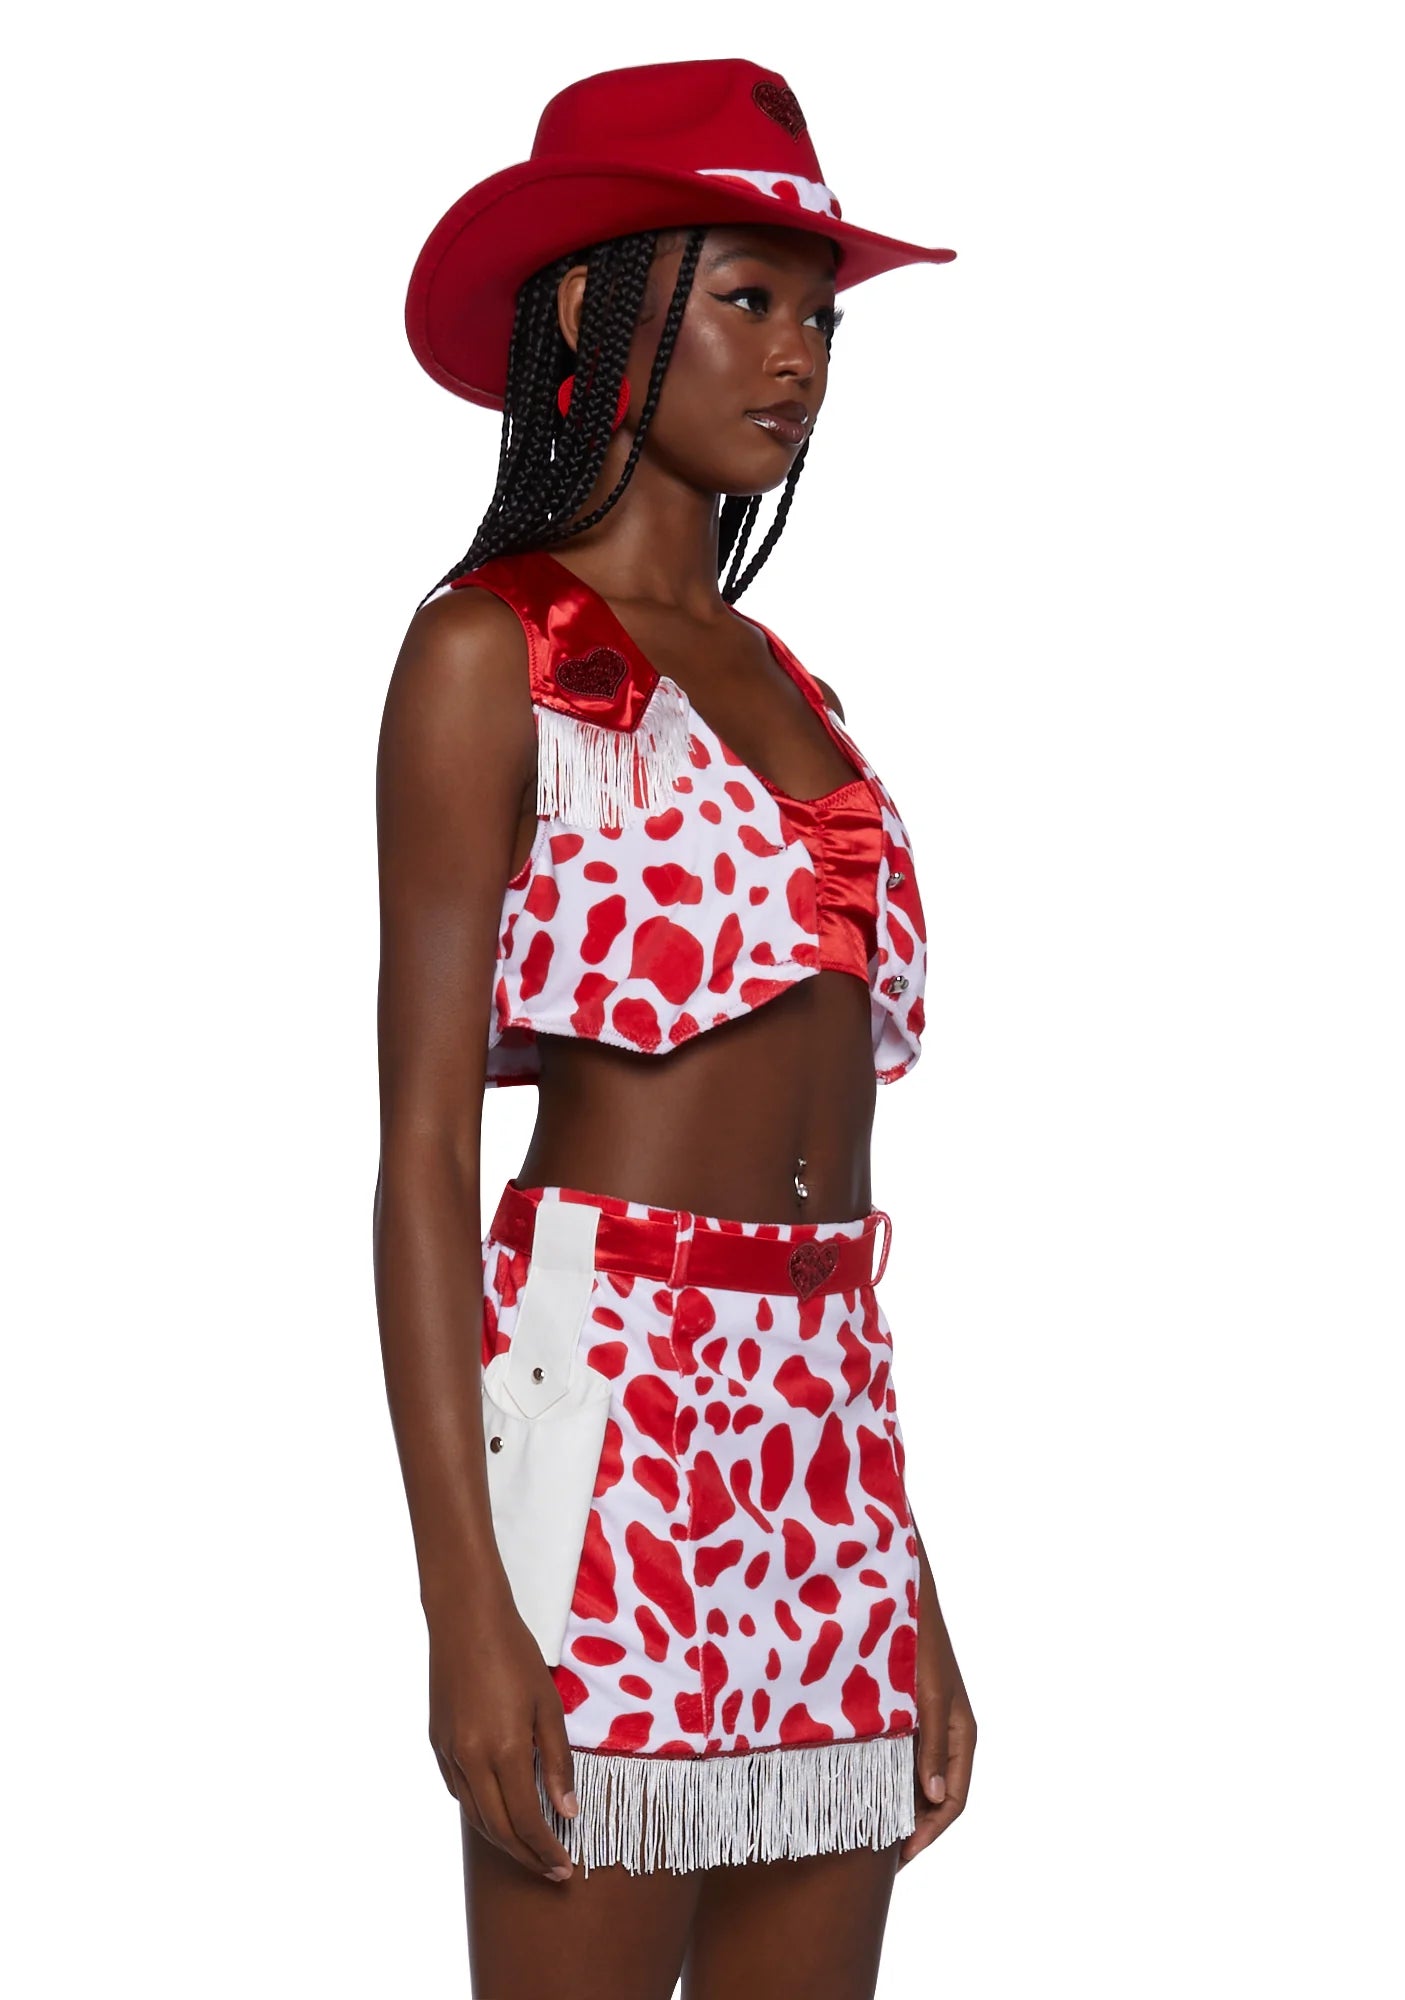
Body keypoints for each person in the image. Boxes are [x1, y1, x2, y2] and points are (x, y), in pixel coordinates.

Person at [374, 57, 977, 2000]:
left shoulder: (796, 687)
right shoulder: (491, 653)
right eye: (747, 297)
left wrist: (906, 1578)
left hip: (823, 1435)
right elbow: (420, 1156)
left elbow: (829, 1189)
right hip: (608, 1406)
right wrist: (467, 1603)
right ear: (588, 308)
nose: (798, 355)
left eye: (820, 317)